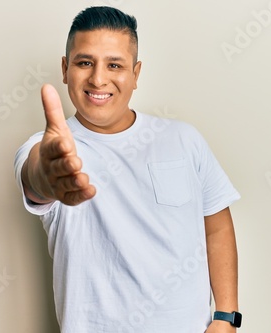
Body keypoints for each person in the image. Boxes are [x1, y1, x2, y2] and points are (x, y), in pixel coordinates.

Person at [14, 6, 242, 333]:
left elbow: (217, 228)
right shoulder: (50, 149)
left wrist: (226, 318)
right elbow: (35, 177)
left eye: (114, 65)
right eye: (84, 62)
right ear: (65, 70)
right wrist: (47, 177)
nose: (98, 78)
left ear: (135, 74)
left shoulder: (184, 139)